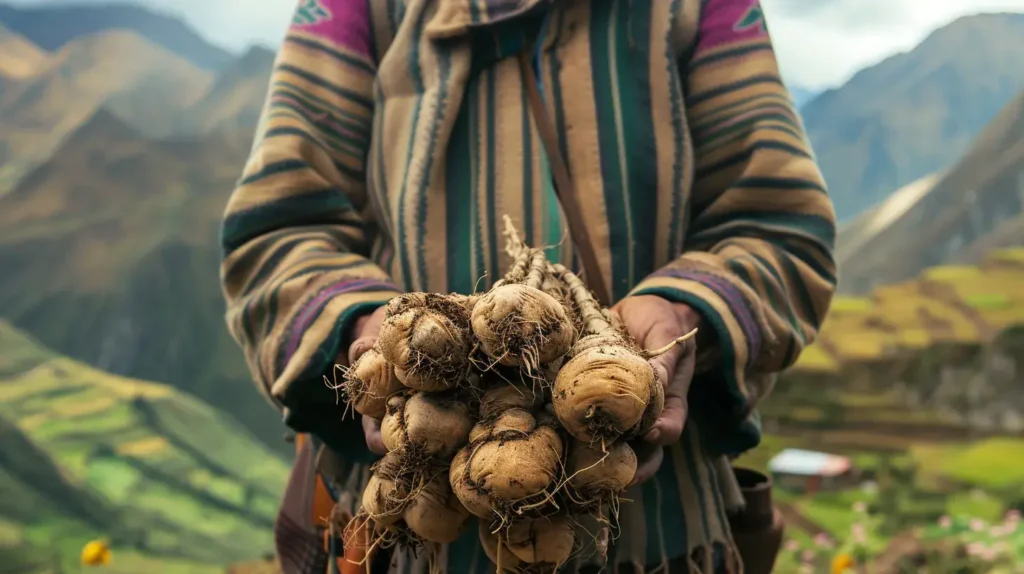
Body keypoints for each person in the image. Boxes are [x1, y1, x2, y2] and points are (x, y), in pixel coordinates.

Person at [220, 0, 836, 573]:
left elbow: (781, 226)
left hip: (661, 538)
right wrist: (369, 330)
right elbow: (276, 230)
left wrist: (682, 309)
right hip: (402, 528)